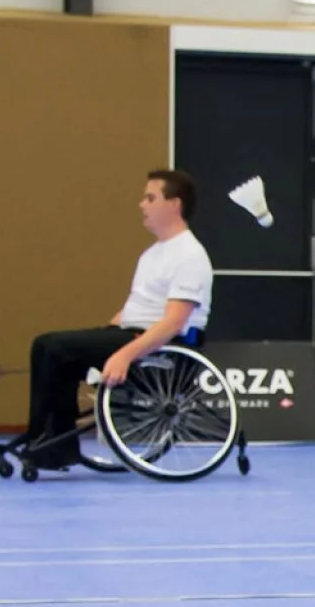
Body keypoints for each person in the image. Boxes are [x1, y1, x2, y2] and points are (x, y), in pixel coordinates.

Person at [13, 169, 213, 470]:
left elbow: (173, 323)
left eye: (150, 198)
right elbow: (133, 309)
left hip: (160, 347)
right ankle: (53, 443)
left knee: (51, 346)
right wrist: (102, 336)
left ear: (174, 204)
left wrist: (123, 355)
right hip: (130, 334)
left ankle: (44, 440)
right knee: (53, 352)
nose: (141, 205)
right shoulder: (152, 254)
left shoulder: (190, 255)